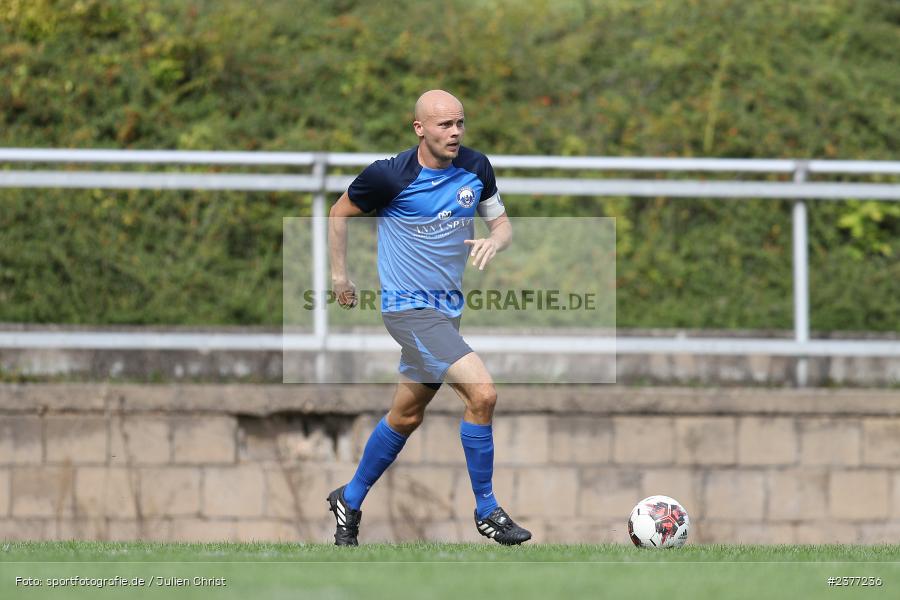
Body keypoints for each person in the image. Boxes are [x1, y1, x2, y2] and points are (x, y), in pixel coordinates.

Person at [325, 89, 530, 546]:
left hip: (445, 313)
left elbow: (503, 224)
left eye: (460, 123)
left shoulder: (476, 167)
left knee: (406, 415)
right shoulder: (388, 176)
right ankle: (487, 509)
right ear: (420, 128)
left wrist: (496, 241)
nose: (455, 132)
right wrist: (341, 277)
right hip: (409, 312)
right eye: (444, 125)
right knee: (483, 394)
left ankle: (350, 498)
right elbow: (338, 212)